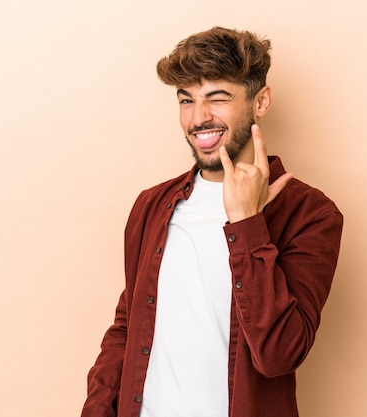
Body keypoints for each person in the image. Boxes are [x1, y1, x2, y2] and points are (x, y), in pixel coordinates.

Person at [81, 26, 343, 417]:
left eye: (217, 98)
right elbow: (126, 326)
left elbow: (279, 356)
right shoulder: (151, 206)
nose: (199, 118)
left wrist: (247, 224)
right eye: (186, 100)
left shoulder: (310, 214)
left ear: (261, 101)